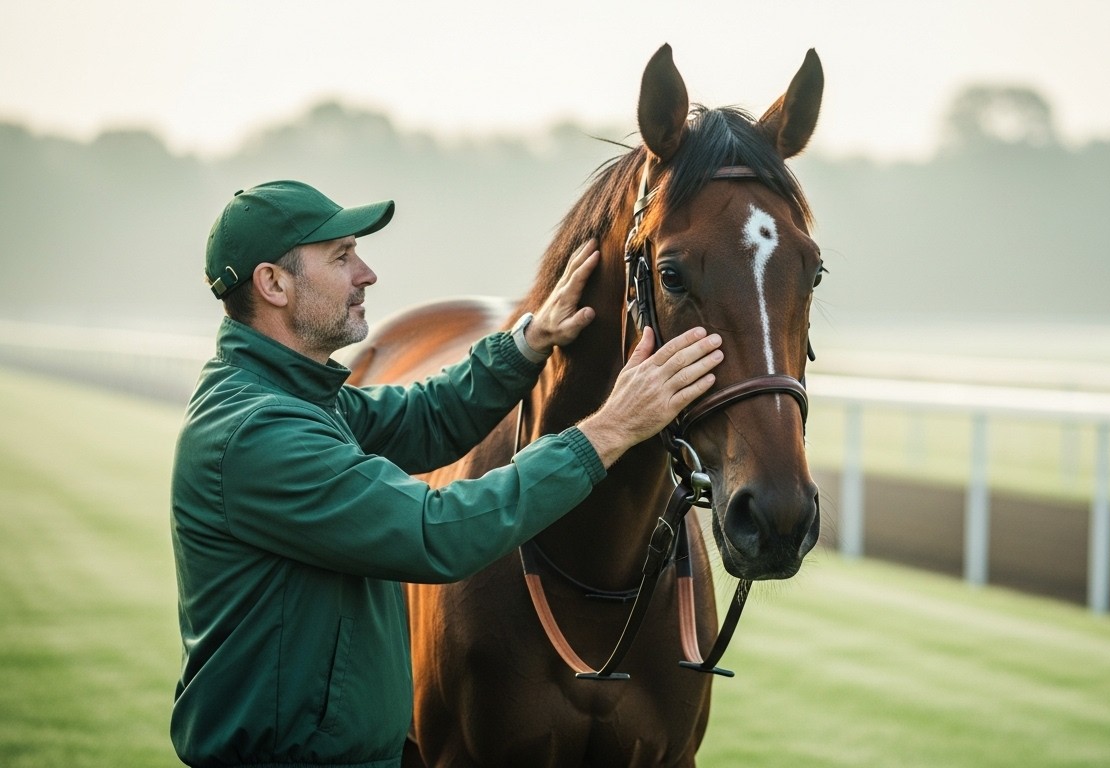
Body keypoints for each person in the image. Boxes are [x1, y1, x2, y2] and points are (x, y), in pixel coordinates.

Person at [170, 180, 723, 767]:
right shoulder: (261, 434)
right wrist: (608, 430)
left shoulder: (299, 399)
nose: (366, 274)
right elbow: (437, 532)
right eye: (341, 257)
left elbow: (424, 417)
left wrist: (529, 343)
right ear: (273, 284)